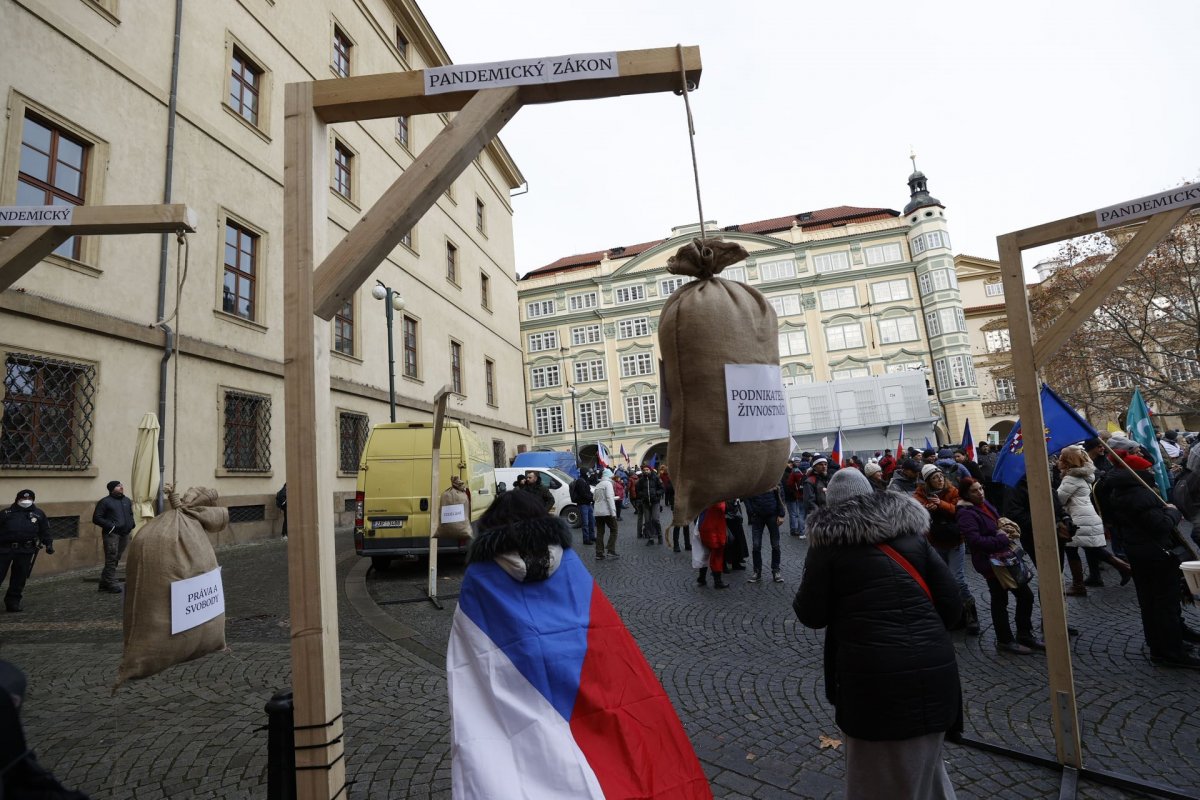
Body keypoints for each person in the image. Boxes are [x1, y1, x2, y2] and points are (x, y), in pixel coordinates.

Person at [794, 468, 961, 800]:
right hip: (936, 668)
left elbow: (811, 614)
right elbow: (953, 605)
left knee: (876, 782)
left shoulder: (828, 546)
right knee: (928, 773)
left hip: (874, 682)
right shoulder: (912, 536)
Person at [1096, 449, 1200, 669]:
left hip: (1140, 551)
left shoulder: (1122, 489)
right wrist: (1173, 512)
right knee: (1165, 603)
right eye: (1148, 469)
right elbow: (1159, 525)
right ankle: (1172, 651)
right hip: (1155, 553)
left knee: (1151, 602)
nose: (1152, 471)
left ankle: (1162, 645)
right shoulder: (1139, 493)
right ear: (1139, 472)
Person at [957, 478, 1043, 655]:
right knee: (1002, 599)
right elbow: (975, 541)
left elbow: (995, 524)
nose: (980, 492)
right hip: (991, 563)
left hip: (1004, 558)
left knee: (1024, 596)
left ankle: (1023, 634)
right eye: (974, 491)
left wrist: (1005, 528)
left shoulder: (984, 504)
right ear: (966, 494)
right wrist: (1001, 538)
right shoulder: (966, 513)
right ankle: (1006, 639)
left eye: (981, 488)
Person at [1055, 445, 1131, 591]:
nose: (1058, 462)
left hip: (1077, 518)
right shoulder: (1080, 475)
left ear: (1067, 461)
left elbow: (1059, 500)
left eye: (1060, 459)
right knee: (1092, 549)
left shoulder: (1070, 478)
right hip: (1085, 516)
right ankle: (1098, 577)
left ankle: (1079, 585)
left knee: (1074, 550)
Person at [915, 465, 977, 634]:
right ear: (928, 481)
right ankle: (954, 616)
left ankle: (971, 615)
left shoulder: (953, 491)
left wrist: (941, 504)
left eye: (941, 476)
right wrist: (926, 511)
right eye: (935, 477)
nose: (940, 479)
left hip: (955, 541)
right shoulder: (920, 495)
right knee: (944, 581)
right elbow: (915, 516)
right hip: (935, 542)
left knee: (958, 579)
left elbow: (961, 510)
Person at [1, 490, 54, 613]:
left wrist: (49, 544)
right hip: (4, 549)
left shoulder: (38, 514)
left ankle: (13, 602)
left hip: (25, 550)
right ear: (17, 499)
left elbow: (45, 531)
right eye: (23, 499)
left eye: (29, 499)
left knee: (19, 578)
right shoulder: (5, 513)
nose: (26, 501)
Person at [93, 480, 134, 594]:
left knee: (116, 558)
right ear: (111, 489)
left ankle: (104, 583)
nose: (121, 487)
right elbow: (97, 518)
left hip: (125, 533)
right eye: (117, 486)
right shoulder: (105, 502)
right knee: (111, 557)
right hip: (112, 534)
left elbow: (130, 514)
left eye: (121, 485)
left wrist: (132, 524)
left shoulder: (126, 500)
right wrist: (111, 526)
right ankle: (110, 582)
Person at [745, 485, 785, 583]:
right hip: (757, 516)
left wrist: (781, 514)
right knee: (756, 545)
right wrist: (751, 512)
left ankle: (776, 571)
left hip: (772, 514)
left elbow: (781, 496)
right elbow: (746, 496)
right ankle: (757, 571)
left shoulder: (773, 478)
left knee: (775, 545)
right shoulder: (755, 479)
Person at [696, 502, 728, 589]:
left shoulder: (705, 495)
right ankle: (717, 581)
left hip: (705, 527)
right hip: (714, 529)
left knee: (704, 553)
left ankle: (701, 578)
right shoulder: (716, 498)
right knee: (717, 555)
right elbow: (722, 507)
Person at [591, 469, 620, 560]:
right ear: (609, 476)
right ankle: (611, 550)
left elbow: (594, 498)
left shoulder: (598, 485)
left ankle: (599, 553)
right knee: (614, 529)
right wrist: (613, 513)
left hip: (597, 512)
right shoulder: (608, 484)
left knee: (600, 532)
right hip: (607, 512)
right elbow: (609, 498)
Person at [633, 464, 664, 545]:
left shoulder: (656, 478)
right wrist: (642, 495)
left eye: (647, 469)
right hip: (645, 503)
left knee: (655, 519)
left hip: (655, 502)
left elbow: (662, 488)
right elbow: (637, 490)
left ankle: (660, 535)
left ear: (650, 470)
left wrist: (657, 494)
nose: (646, 471)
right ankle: (650, 538)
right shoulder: (641, 480)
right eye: (644, 470)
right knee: (647, 521)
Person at [802, 457, 831, 538]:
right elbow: (809, 502)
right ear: (814, 467)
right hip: (819, 519)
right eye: (821, 464)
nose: (824, 466)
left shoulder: (829, 479)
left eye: (825, 464)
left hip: (831, 517)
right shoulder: (810, 481)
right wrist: (819, 516)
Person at [569, 471, 596, 546]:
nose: (588, 473)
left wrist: (592, 497)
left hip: (588, 504)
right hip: (583, 504)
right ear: (584, 472)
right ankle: (586, 539)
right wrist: (591, 498)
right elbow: (583, 493)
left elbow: (588, 491)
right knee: (585, 523)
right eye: (587, 472)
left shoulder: (585, 480)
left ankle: (592, 536)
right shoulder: (580, 481)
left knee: (592, 521)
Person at [723, 498, 748, 572]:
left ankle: (736, 562)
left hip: (735, 516)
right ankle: (723, 565)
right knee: (726, 541)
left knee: (738, 540)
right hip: (726, 517)